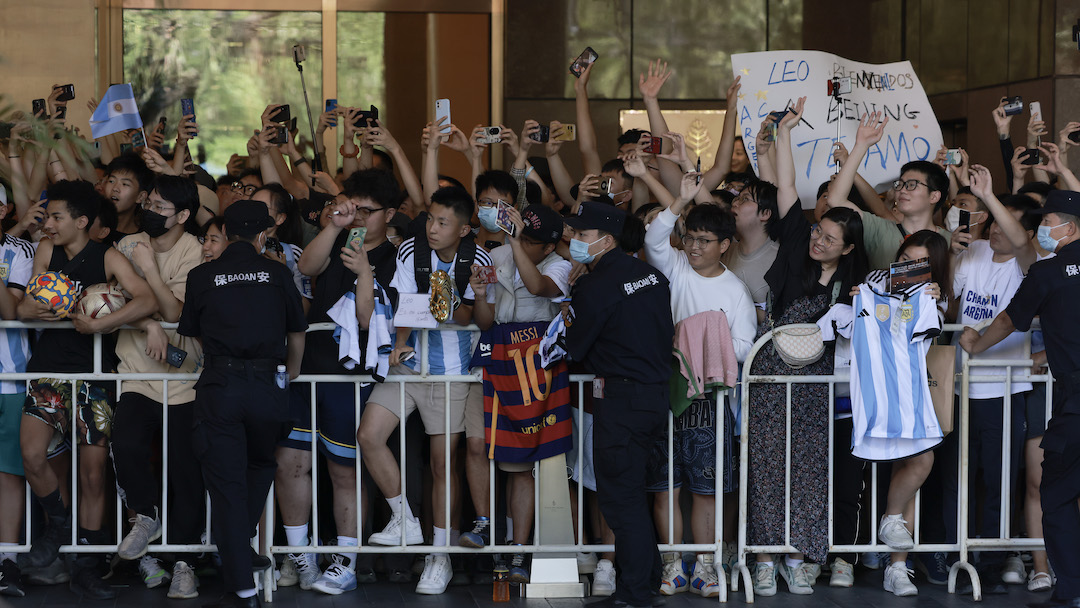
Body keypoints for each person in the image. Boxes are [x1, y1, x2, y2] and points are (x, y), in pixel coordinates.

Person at [17, 179, 157, 600]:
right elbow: (24, 306)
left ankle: (88, 565)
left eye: (56, 217)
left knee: (93, 475)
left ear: (81, 221)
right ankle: (58, 525)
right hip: (48, 373)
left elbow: (146, 299)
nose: (48, 224)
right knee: (31, 454)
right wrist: (33, 309)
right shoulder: (46, 250)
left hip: (94, 375)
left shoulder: (108, 256)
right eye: (47, 217)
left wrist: (99, 324)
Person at [357, 185, 491, 596]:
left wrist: (467, 297)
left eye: (442, 222)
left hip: (452, 372)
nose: (432, 228)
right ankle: (404, 519)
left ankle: (439, 558)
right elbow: (403, 303)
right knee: (369, 435)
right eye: (430, 218)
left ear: (465, 229)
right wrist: (399, 342)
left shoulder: (478, 259)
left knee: (441, 466)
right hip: (409, 365)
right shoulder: (409, 250)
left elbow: (481, 320)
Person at [178, 199, 306, 608]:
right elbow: (297, 331)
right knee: (262, 464)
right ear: (262, 234)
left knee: (227, 485)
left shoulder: (201, 275)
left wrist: (222, 356)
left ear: (228, 232)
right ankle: (239, 550)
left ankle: (241, 577)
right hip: (268, 384)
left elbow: (193, 332)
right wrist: (290, 373)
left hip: (221, 384)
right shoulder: (277, 273)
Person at [281, 169, 401, 595]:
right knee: (290, 463)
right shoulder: (340, 237)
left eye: (367, 212)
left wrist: (365, 270)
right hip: (305, 367)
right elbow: (307, 267)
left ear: (389, 214)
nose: (359, 218)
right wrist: (333, 224)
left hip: (348, 378)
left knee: (342, 469)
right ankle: (300, 558)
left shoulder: (396, 257)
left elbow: (370, 321)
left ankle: (346, 563)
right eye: (353, 208)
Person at [959, 189, 1080, 608]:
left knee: (1058, 493)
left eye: (1047, 223)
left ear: (1069, 228)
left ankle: (1070, 587)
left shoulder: (1050, 272)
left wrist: (975, 344)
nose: (1043, 230)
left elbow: (1011, 318)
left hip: (1075, 403)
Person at [641, 170, 756, 599]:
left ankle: (706, 565)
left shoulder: (736, 291)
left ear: (725, 245)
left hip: (711, 398)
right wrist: (678, 202)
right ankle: (673, 563)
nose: (692, 247)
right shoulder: (675, 269)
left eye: (704, 241)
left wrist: (704, 339)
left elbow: (745, 346)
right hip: (665, 391)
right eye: (689, 238)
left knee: (707, 489)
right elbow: (655, 240)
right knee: (664, 484)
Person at [563, 200, 674, 608]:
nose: (574, 240)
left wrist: (573, 299)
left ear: (606, 241)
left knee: (620, 499)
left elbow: (574, 347)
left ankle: (635, 590)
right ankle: (646, 579)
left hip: (620, 399)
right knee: (632, 495)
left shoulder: (594, 287)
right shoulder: (652, 276)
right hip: (652, 397)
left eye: (582, 236)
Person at [109, 175, 205, 598]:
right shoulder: (125, 246)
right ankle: (145, 516)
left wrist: (148, 269)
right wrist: (148, 321)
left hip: (183, 380)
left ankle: (186, 563)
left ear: (183, 216)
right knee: (126, 443)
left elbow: (178, 313)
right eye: (149, 201)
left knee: (185, 472)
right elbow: (116, 303)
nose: (150, 210)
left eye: (161, 207)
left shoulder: (196, 253)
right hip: (136, 373)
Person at [467, 203, 571, 584]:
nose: (521, 243)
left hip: (535, 373)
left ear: (548, 247)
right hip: (496, 363)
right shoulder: (495, 255)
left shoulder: (559, 264)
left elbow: (538, 287)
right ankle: (484, 528)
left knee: (522, 463)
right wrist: (480, 295)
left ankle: (517, 551)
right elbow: (485, 322)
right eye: (520, 234)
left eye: (531, 241)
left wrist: (512, 244)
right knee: (480, 445)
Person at [0, 196, 34, 598]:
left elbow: (10, 309)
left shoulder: (19, 251)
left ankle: (6, 561)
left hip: (10, 378)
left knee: (8, 473)